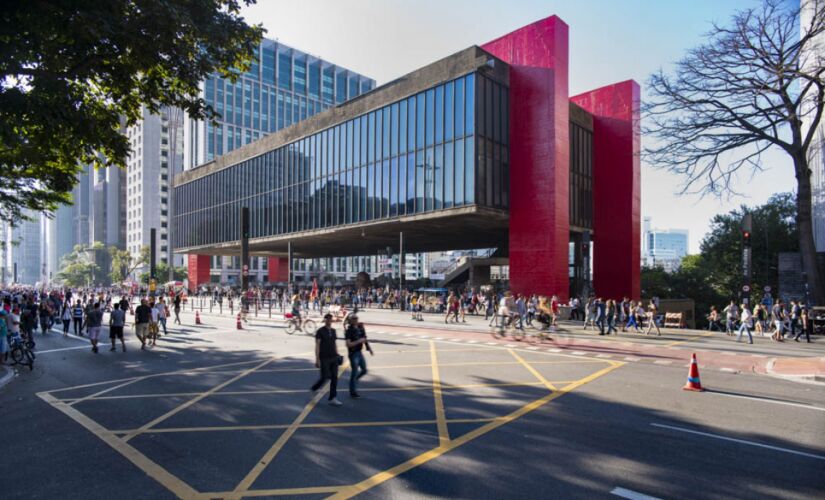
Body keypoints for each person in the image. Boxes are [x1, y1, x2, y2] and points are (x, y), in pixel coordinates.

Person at [311, 313, 342, 406]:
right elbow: (317, 345)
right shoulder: (320, 331)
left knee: (334, 378)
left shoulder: (333, 331)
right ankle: (314, 389)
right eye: (327, 319)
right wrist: (317, 359)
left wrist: (338, 354)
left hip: (334, 357)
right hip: (324, 358)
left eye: (330, 319)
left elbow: (335, 344)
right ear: (325, 320)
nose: (329, 321)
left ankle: (332, 398)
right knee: (324, 377)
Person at [345, 314, 373, 398]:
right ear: (350, 320)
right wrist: (358, 341)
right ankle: (352, 392)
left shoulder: (360, 327)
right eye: (354, 319)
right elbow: (348, 344)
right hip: (353, 353)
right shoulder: (349, 331)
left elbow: (364, 338)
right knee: (354, 372)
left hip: (359, 352)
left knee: (364, 370)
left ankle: (352, 381)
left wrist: (369, 348)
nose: (356, 320)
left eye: (356, 318)